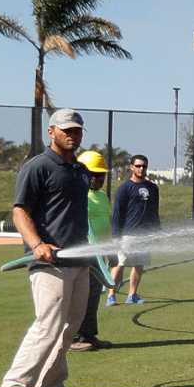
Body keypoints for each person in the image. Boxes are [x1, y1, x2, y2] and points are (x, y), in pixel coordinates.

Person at [0, 108, 94, 387]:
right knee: (48, 325)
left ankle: (51, 384)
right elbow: (19, 211)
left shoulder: (79, 170)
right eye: (66, 130)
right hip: (49, 263)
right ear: (51, 132)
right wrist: (37, 244)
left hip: (78, 261)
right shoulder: (38, 166)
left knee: (70, 327)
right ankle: (14, 384)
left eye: (76, 130)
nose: (71, 135)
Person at [69, 150, 112, 350]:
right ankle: (74, 337)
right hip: (83, 254)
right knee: (79, 295)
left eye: (101, 174)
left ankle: (89, 335)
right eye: (94, 174)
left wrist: (109, 249)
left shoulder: (102, 196)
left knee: (94, 294)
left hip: (99, 255)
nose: (98, 178)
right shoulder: (77, 195)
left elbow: (106, 223)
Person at [109, 153, 160, 304]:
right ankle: (111, 295)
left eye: (144, 166)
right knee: (120, 264)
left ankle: (132, 295)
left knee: (139, 265)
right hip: (127, 235)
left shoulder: (153, 188)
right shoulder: (124, 188)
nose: (141, 168)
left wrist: (156, 231)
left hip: (145, 235)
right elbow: (117, 213)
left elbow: (154, 211)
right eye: (138, 166)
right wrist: (116, 236)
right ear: (131, 167)